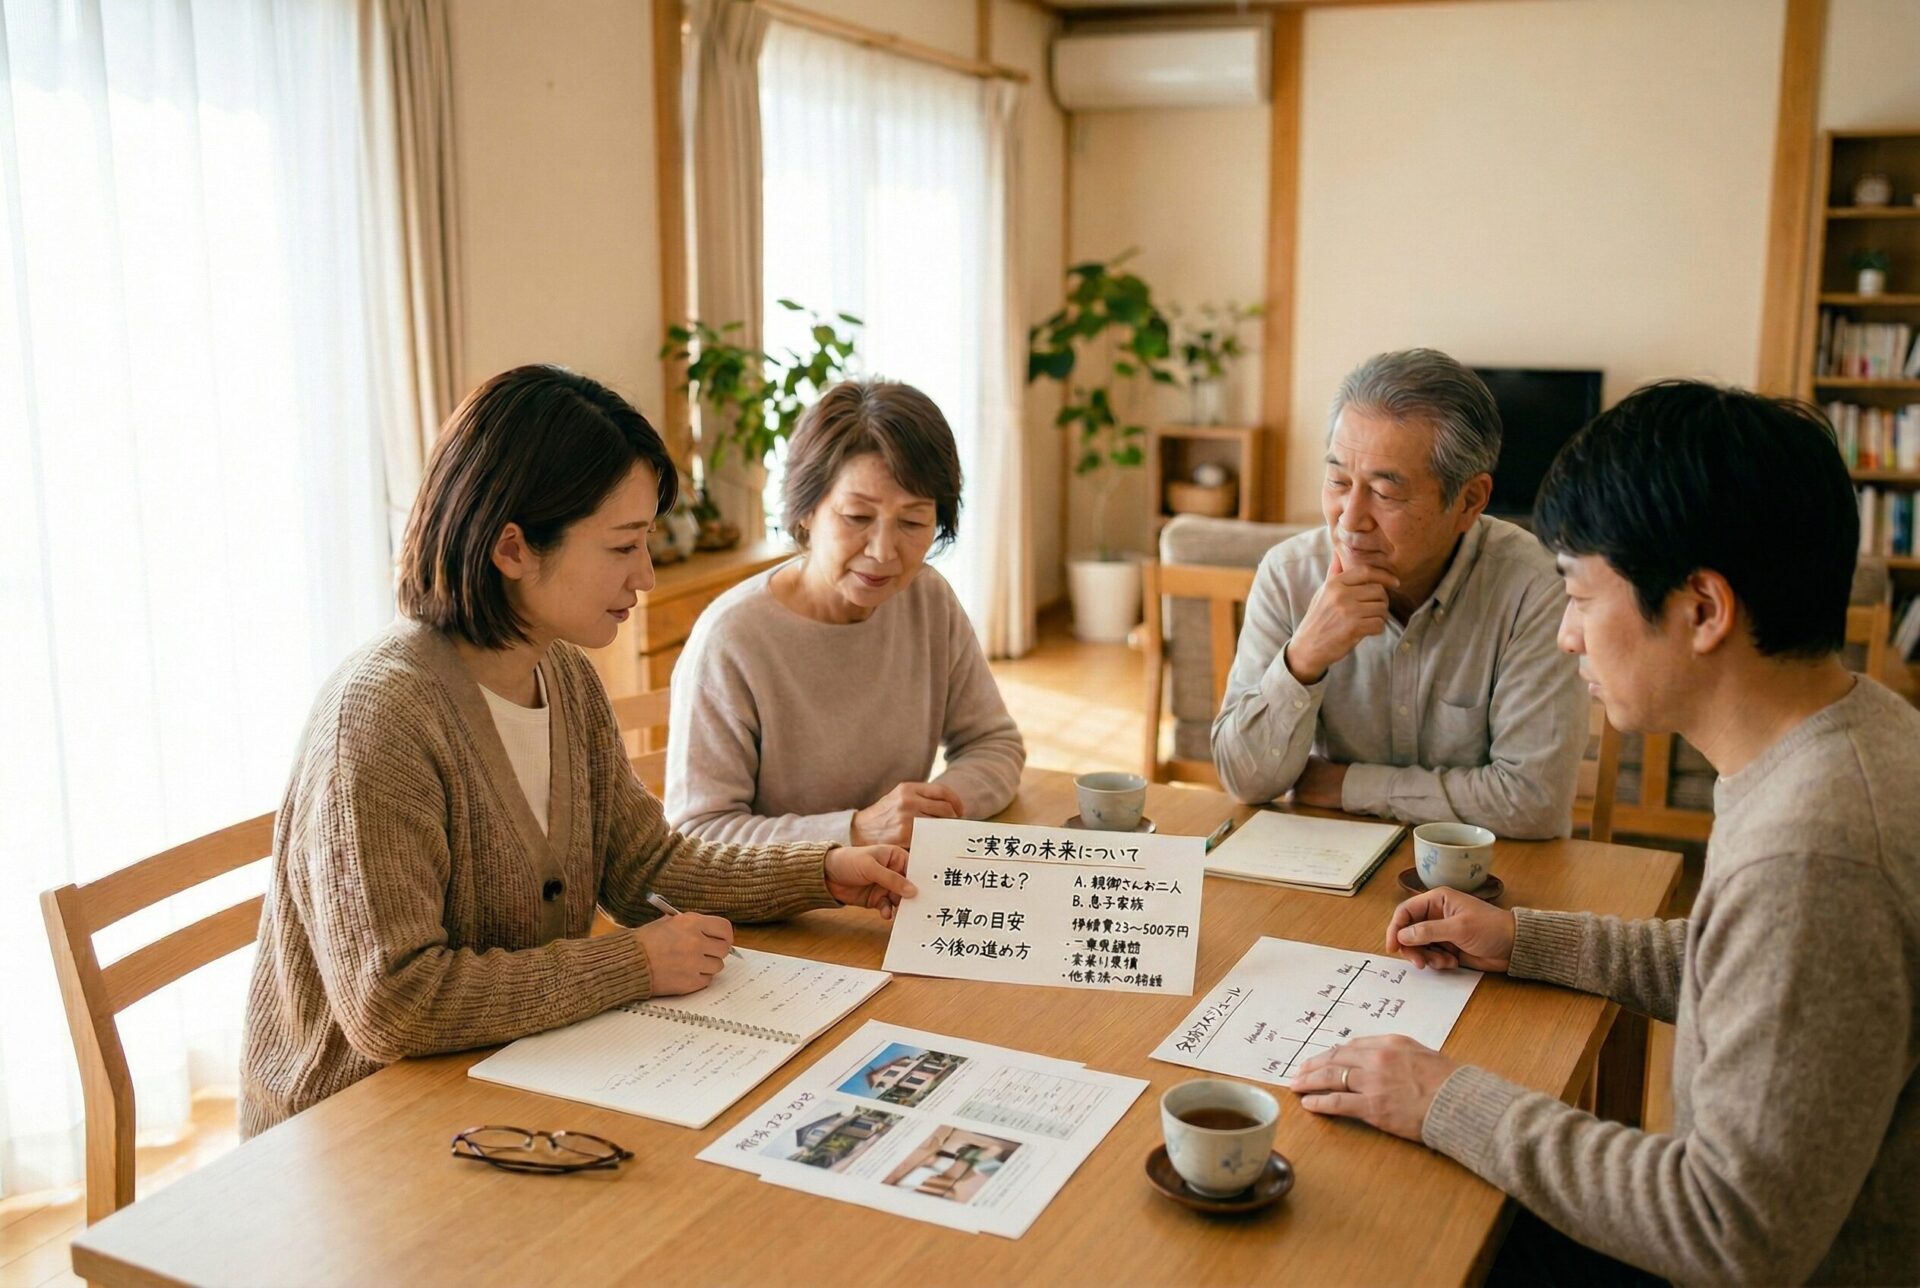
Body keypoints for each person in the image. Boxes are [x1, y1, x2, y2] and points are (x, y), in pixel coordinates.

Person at [1292, 381, 1920, 1285]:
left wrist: (1441, 1095)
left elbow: (1725, 1231)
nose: (1565, 638)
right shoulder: (1847, 732)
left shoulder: (1818, 855)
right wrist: (1524, 940)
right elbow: (1745, 973)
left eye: (1581, 597)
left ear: (1704, 609)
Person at [239, 365, 915, 1136]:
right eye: (622, 545)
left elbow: (645, 868)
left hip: (504, 1083)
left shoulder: (560, 672)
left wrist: (823, 869)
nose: (648, 576)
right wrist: (633, 965)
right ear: (512, 548)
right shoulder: (382, 717)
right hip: (353, 1127)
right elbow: (393, 1004)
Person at [1211, 349, 1586, 839]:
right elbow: (1243, 780)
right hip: (1324, 868)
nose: (1349, 518)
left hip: (1483, 885)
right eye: (1338, 481)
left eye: (1385, 493)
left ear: (1469, 501)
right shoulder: (1289, 575)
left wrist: (1348, 785)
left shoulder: (1532, 590)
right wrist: (1303, 660)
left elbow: (1533, 801)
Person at [666, 379, 1025, 846]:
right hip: (776, 911)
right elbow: (698, 833)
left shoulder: (928, 599)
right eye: (857, 517)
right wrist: (856, 831)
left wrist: (927, 815)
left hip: (893, 894)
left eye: (913, 522)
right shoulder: (732, 639)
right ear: (806, 510)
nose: (883, 552)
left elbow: (994, 745)